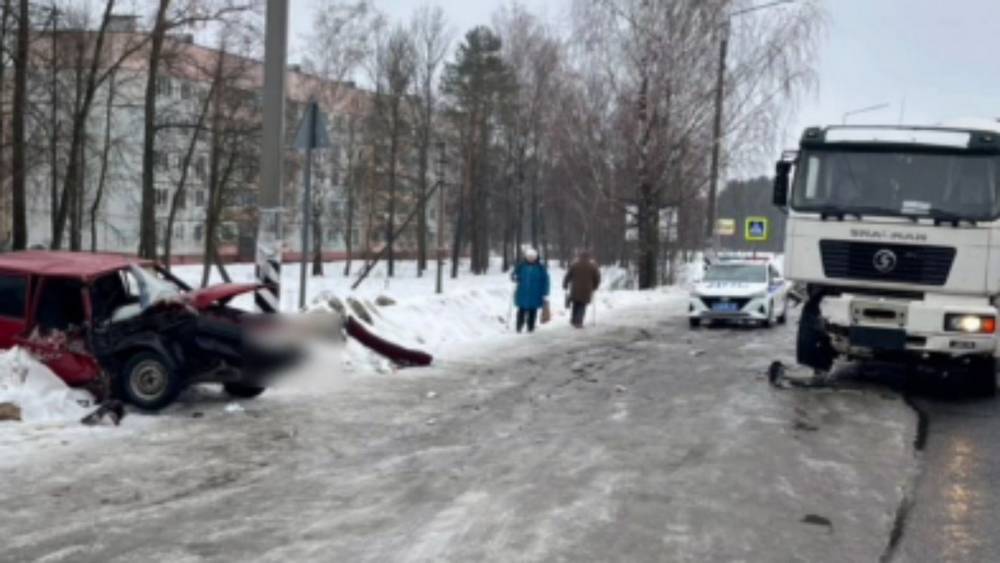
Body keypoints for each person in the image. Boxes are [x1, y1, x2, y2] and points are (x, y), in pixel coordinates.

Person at [511, 248, 550, 333]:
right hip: (523, 292)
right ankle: (519, 327)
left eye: (533, 257)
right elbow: (513, 274)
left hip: (535, 293)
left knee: (533, 311)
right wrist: (515, 278)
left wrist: (545, 292)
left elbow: (545, 280)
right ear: (526, 257)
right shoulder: (521, 266)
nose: (531, 258)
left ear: (536, 257)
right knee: (521, 310)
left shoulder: (540, 267)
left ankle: (530, 328)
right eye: (529, 257)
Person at [564, 251, 601, 328]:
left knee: (575, 304)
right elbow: (597, 278)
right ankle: (579, 322)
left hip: (575, 289)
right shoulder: (592, 266)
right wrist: (595, 286)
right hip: (586, 289)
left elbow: (568, 275)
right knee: (582, 305)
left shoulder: (574, 265)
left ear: (580, 257)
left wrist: (565, 284)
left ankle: (573, 320)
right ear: (589, 257)